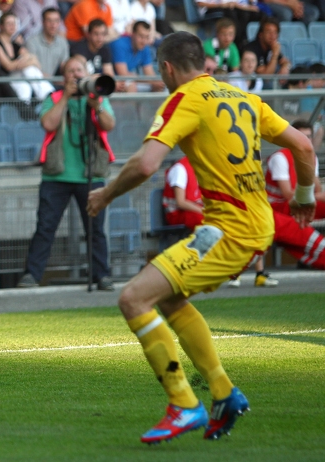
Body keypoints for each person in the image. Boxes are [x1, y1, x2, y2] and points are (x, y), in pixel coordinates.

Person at [86, 31, 315, 443]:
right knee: (170, 298)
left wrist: (105, 194)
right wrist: (303, 196)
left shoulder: (184, 99)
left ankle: (183, 403)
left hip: (231, 229)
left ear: (168, 68)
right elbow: (303, 146)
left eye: (161, 72)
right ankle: (224, 393)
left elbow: (145, 165)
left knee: (133, 298)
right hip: (247, 224)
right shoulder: (242, 98)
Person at [18, 57, 115, 291]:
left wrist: (96, 105)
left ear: (87, 73)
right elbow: (48, 124)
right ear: (64, 78)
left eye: (79, 70)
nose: (75, 75)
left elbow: (109, 124)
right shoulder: (53, 98)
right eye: (70, 71)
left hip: (89, 174)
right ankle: (32, 274)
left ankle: (101, 275)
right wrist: (66, 98)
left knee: (95, 230)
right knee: (46, 227)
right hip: (57, 176)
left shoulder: (97, 97)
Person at [164, 156, 279, 288]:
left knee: (251, 222)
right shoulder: (180, 168)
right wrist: (208, 211)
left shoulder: (204, 164)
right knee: (226, 225)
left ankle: (259, 273)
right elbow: (181, 202)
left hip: (198, 211)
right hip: (180, 215)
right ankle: (234, 271)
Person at [0, 12, 55, 102]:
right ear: (1, 26)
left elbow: (34, 60)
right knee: (28, 69)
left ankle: (32, 107)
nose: (12, 26)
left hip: (17, 77)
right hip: (5, 79)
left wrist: (21, 63)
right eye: (9, 23)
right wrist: (25, 62)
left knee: (26, 82)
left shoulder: (15, 44)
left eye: (14, 23)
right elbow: (8, 66)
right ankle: (48, 96)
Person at [266, 120, 325, 218]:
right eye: (303, 136)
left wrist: (310, 165)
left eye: (309, 136)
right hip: (277, 206)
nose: (307, 140)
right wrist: (319, 197)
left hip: (298, 201)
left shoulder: (312, 157)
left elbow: (317, 188)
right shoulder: (280, 157)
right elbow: (288, 194)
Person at [110, 21, 165, 93]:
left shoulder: (145, 48)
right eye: (141, 36)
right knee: (131, 85)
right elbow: (123, 74)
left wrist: (157, 83)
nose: (144, 41)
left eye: (147, 37)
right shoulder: (120, 45)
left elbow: (150, 74)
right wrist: (149, 80)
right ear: (133, 34)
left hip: (123, 80)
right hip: (109, 80)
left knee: (158, 85)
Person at [243, 17, 291, 84]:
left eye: (275, 32)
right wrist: (275, 54)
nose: (273, 36)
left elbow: (286, 61)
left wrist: (285, 68)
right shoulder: (252, 50)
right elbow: (266, 77)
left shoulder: (272, 46)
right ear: (260, 34)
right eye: (269, 32)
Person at [25, 7, 70, 78]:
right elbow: (33, 70)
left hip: (52, 82)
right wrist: (55, 81)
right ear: (43, 22)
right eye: (49, 20)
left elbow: (65, 67)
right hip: (35, 80)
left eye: (56, 21)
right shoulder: (32, 42)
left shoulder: (62, 42)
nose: (53, 25)